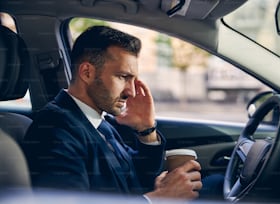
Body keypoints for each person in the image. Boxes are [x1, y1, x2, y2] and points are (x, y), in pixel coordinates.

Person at [22, 25, 202, 202]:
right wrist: (157, 199)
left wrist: (146, 129)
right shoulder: (53, 130)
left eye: (133, 80)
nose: (131, 92)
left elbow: (130, 175)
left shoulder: (98, 120)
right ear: (87, 72)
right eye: (123, 77)